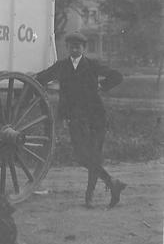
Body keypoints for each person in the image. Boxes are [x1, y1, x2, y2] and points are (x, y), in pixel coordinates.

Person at [34, 31, 126, 208]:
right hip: (75, 118)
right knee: (81, 157)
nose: (75, 48)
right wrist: (32, 76)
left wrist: (102, 86)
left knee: (94, 156)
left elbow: (117, 76)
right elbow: (43, 77)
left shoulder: (92, 65)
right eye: (71, 46)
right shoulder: (61, 66)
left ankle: (88, 197)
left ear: (83, 48)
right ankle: (112, 182)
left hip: (96, 117)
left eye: (78, 46)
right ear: (67, 48)